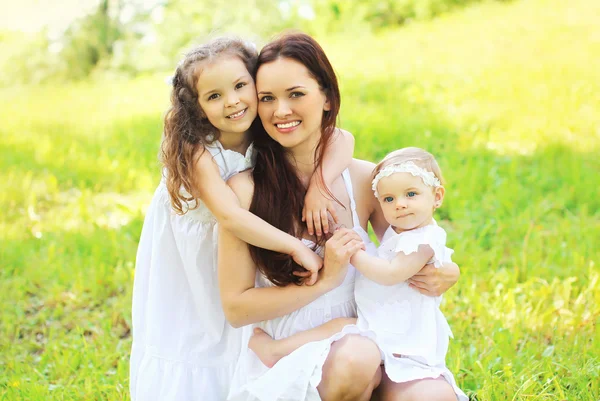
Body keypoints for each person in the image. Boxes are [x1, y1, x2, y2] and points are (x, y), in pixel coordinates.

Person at [218, 32, 461, 401]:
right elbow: (236, 308)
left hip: (372, 333)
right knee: (356, 357)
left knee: (432, 397)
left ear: (327, 98)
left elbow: (410, 242)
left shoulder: (363, 179)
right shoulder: (245, 190)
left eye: (296, 94)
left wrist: (447, 271)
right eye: (267, 98)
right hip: (289, 348)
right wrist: (325, 282)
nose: (280, 110)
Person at [129, 36, 355, 401]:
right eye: (214, 96)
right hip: (192, 263)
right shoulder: (197, 149)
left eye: (240, 86)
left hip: (239, 251)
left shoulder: (261, 127)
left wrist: (319, 184)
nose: (232, 101)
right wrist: (295, 246)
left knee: (233, 343)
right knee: (196, 337)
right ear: (197, 108)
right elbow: (231, 217)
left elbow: (343, 137)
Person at [249, 147, 468, 401]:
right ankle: (275, 351)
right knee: (344, 328)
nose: (400, 204)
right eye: (388, 199)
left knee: (345, 327)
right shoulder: (404, 231)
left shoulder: (424, 239)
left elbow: (389, 274)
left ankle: (276, 350)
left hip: (395, 332)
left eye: (411, 194)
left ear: (437, 196)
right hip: (378, 321)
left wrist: (352, 252)